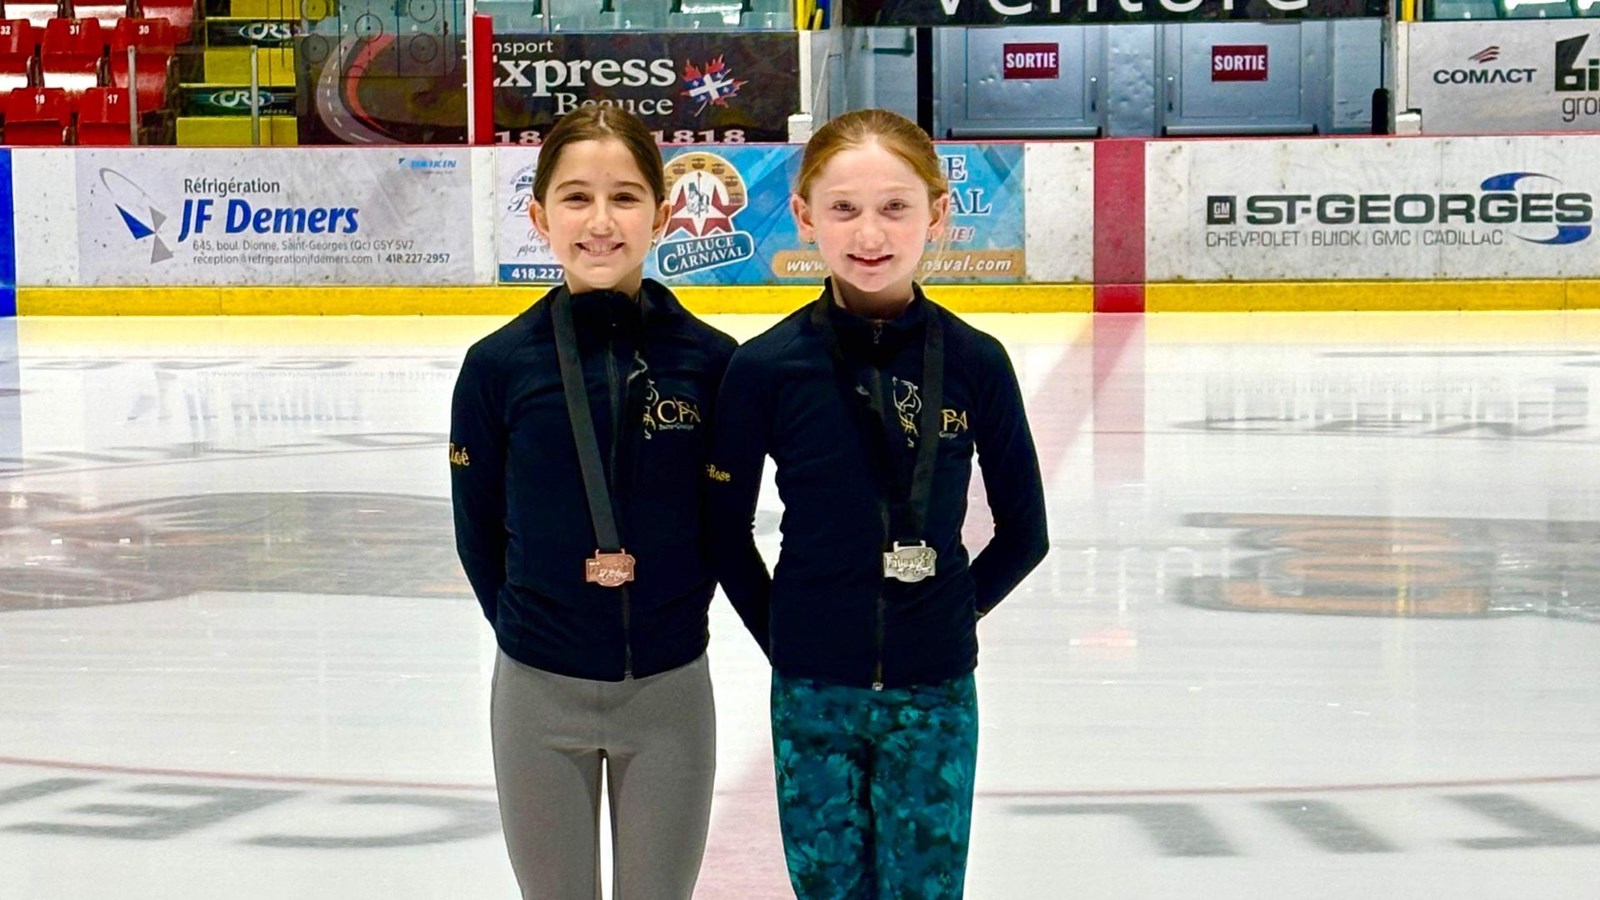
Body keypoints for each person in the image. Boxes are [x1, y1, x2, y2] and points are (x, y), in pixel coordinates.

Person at [706, 108, 1050, 898]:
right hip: (812, 693)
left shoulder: (974, 362)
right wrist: (790, 635)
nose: (870, 232)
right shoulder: (766, 368)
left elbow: (1025, 533)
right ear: (803, 218)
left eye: (895, 207)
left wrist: (948, 614)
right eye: (844, 209)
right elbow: (722, 533)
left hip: (934, 694)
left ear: (936, 213)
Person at [450, 106, 736, 900]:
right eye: (576, 199)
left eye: (626, 198)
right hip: (538, 693)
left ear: (664, 211)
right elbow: (478, 537)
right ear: (539, 215)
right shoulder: (497, 367)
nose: (601, 222)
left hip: (670, 695)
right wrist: (539, 626)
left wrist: (671, 615)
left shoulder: (714, 365)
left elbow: (727, 525)